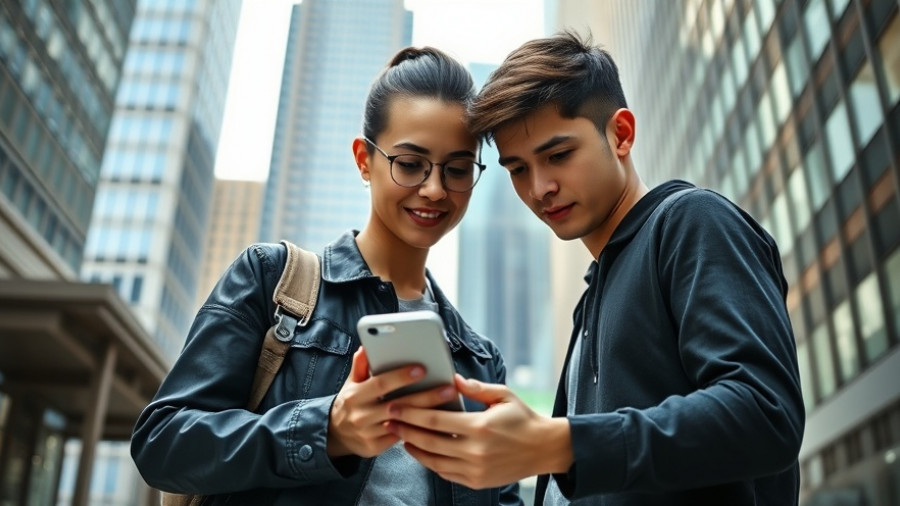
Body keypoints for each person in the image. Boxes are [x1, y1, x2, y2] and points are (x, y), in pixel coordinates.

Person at [384, 31, 805, 505]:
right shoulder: (593, 298)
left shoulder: (691, 221)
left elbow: (766, 413)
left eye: (558, 155)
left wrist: (556, 443)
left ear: (621, 134)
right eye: (518, 169)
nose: (539, 187)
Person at [131, 46, 522, 506]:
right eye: (410, 164)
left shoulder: (478, 358)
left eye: (456, 169)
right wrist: (328, 429)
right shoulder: (270, 280)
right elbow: (162, 442)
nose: (435, 189)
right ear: (364, 160)